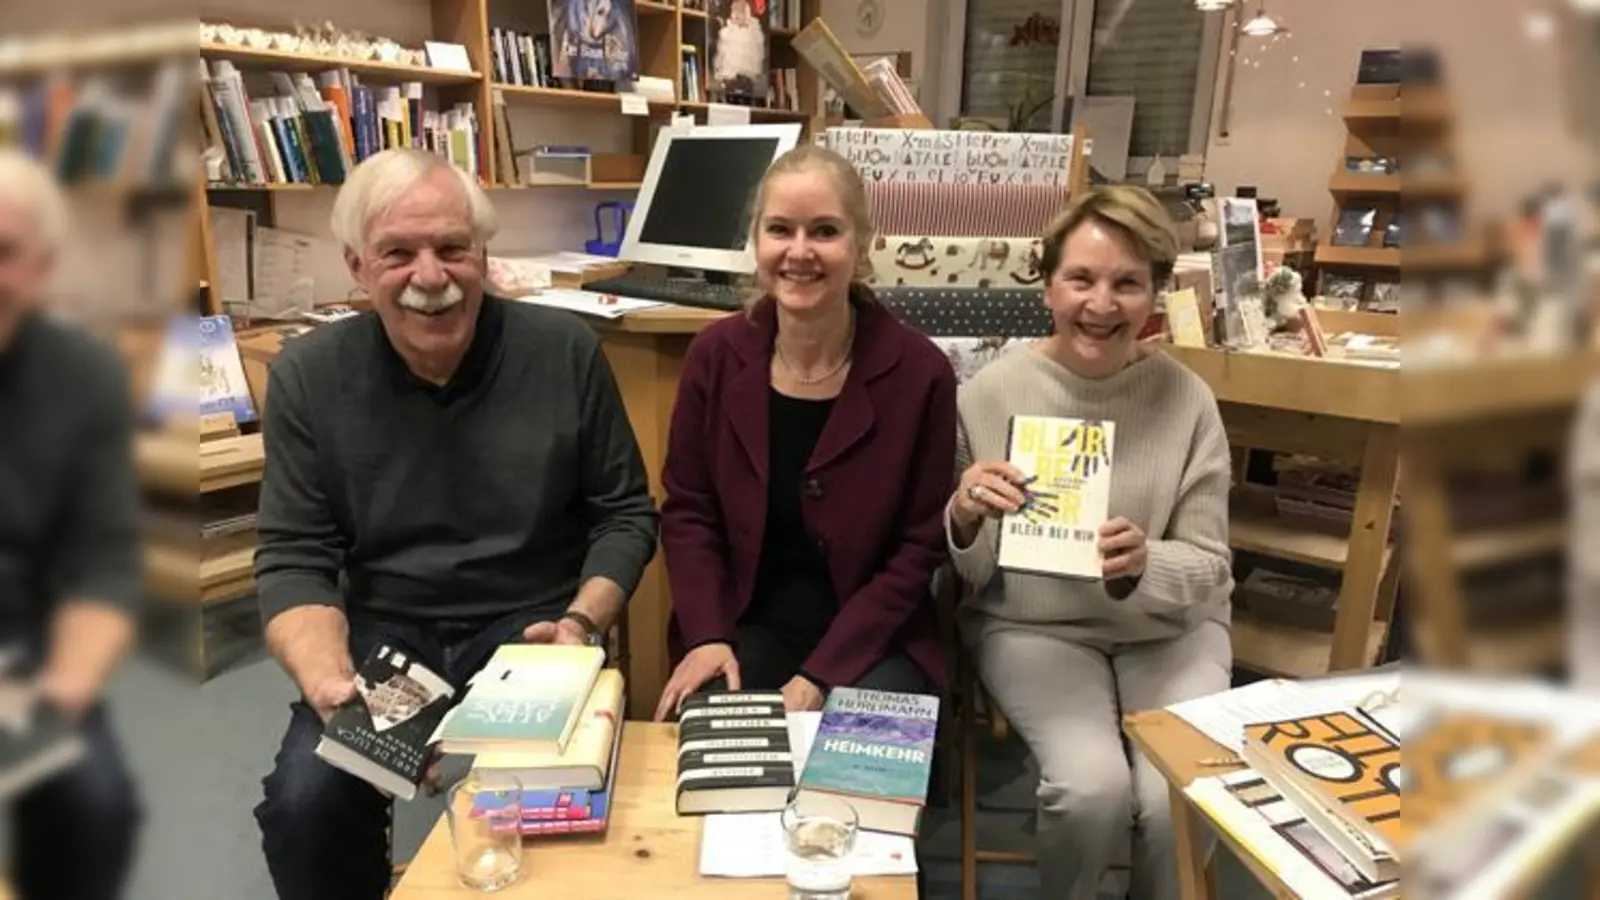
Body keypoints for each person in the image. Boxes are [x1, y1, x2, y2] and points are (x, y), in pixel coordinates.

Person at [253, 148, 659, 900]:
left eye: (451, 248)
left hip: (531, 628)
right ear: (356, 265)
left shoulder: (564, 351)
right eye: (397, 253)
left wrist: (581, 622)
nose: (430, 276)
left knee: (555, 800)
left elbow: (625, 513)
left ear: (483, 254)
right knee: (306, 804)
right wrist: (328, 682)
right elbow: (293, 558)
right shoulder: (307, 376)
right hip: (385, 640)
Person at [946, 185, 1232, 900]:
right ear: (1048, 285)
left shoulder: (1189, 401)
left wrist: (1147, 562)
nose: (1101, 304)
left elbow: (1210, 562)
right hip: (1034, 625)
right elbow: (967, 573)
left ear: (1154, 294)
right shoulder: (988, 393)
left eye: (1127, 283)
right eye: (1081, 278)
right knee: (1090, 792)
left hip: (1170, 630)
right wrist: (965, 515)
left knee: (1179, 797)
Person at [652, 144, 957, 720]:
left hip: (876, 639)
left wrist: (820, 677)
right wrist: (707, 635)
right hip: (742, 628)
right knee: (722, 756)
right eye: (779, 229)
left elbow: (919, 547)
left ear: (861, 246)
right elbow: (690, 511)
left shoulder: (922, 373)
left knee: (861, 767)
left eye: (824, 231)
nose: (799, 252)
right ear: (756, 241)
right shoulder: (714, 356)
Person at [0, 148, 142, 900]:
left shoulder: (84, 374)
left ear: (43, 267)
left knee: (94, 803)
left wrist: (57, 701)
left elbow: (104, 564)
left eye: (4, 252)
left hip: (25, 643)